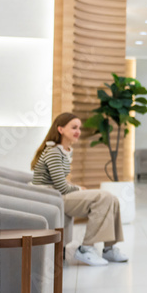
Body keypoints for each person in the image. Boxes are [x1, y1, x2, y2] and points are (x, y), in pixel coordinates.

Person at [31, 112, 127, 267]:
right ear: (60, 129)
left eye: (79, 128)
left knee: (112, 199)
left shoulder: (65, 150)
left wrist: (76, 188)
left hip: (58, 194)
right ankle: (86, 248)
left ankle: (109, 248)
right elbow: (62, 186)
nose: (78, 131)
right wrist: (78, 189)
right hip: (51, 197)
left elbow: (62, 182)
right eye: (74, 127)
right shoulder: (54, 152)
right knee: (103, 198)